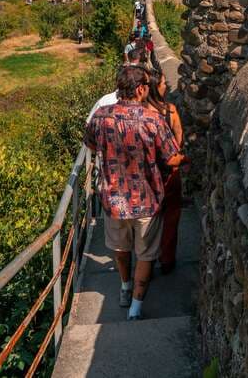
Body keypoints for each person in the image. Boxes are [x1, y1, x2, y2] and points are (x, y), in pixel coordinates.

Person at [84, 65, 181, 321]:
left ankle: (125, 286)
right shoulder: (153, 119)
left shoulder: (101, 116)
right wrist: (185, 158)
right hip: (147, 199)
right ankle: (136, 308)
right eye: (146, 87)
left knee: (120, 248)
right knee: (146, 254)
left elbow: (90, 144)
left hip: (114, 199)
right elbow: (171, 159)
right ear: (140, 89)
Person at [144, 66, 184, 275]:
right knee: (171, 216)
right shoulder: (170, 111)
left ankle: (146, 263)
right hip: (169, 174)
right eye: (163, 83)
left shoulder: (140, 113)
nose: (167, 85)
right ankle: (167, 259)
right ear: (155, 87)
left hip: (146, 176)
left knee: (148, 220)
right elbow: (178, 141)